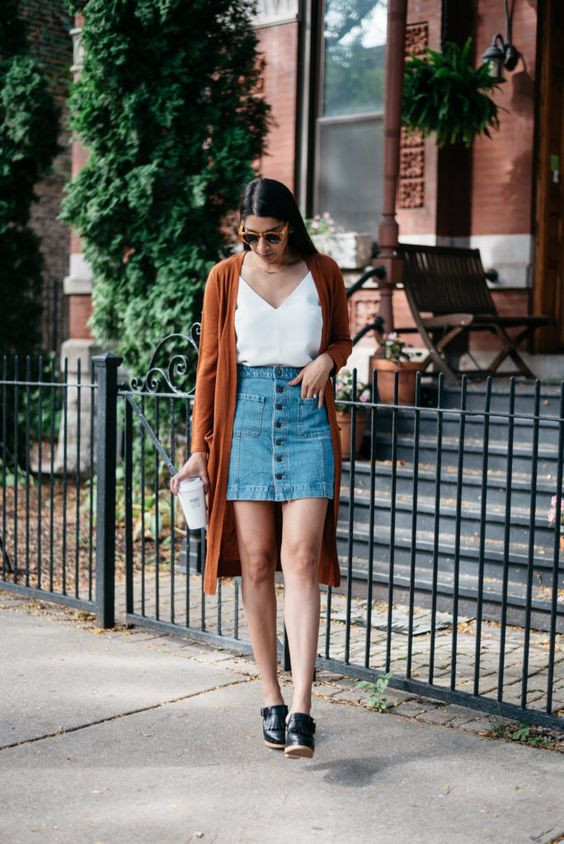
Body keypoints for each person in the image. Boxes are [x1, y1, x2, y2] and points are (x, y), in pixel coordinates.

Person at [170, 177, 352, 758]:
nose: (260, 248)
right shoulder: (225, 276)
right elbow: (210, 368)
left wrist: (328, 358)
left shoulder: (323, 272)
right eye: (248, 237)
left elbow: (345, 339)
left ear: (289, 227)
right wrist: (199, 447)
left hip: (305, 421)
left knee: (300, 557)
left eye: (270, 237)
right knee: (253, 563)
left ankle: (302, 708)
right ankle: (270, 697)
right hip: (243, 421)